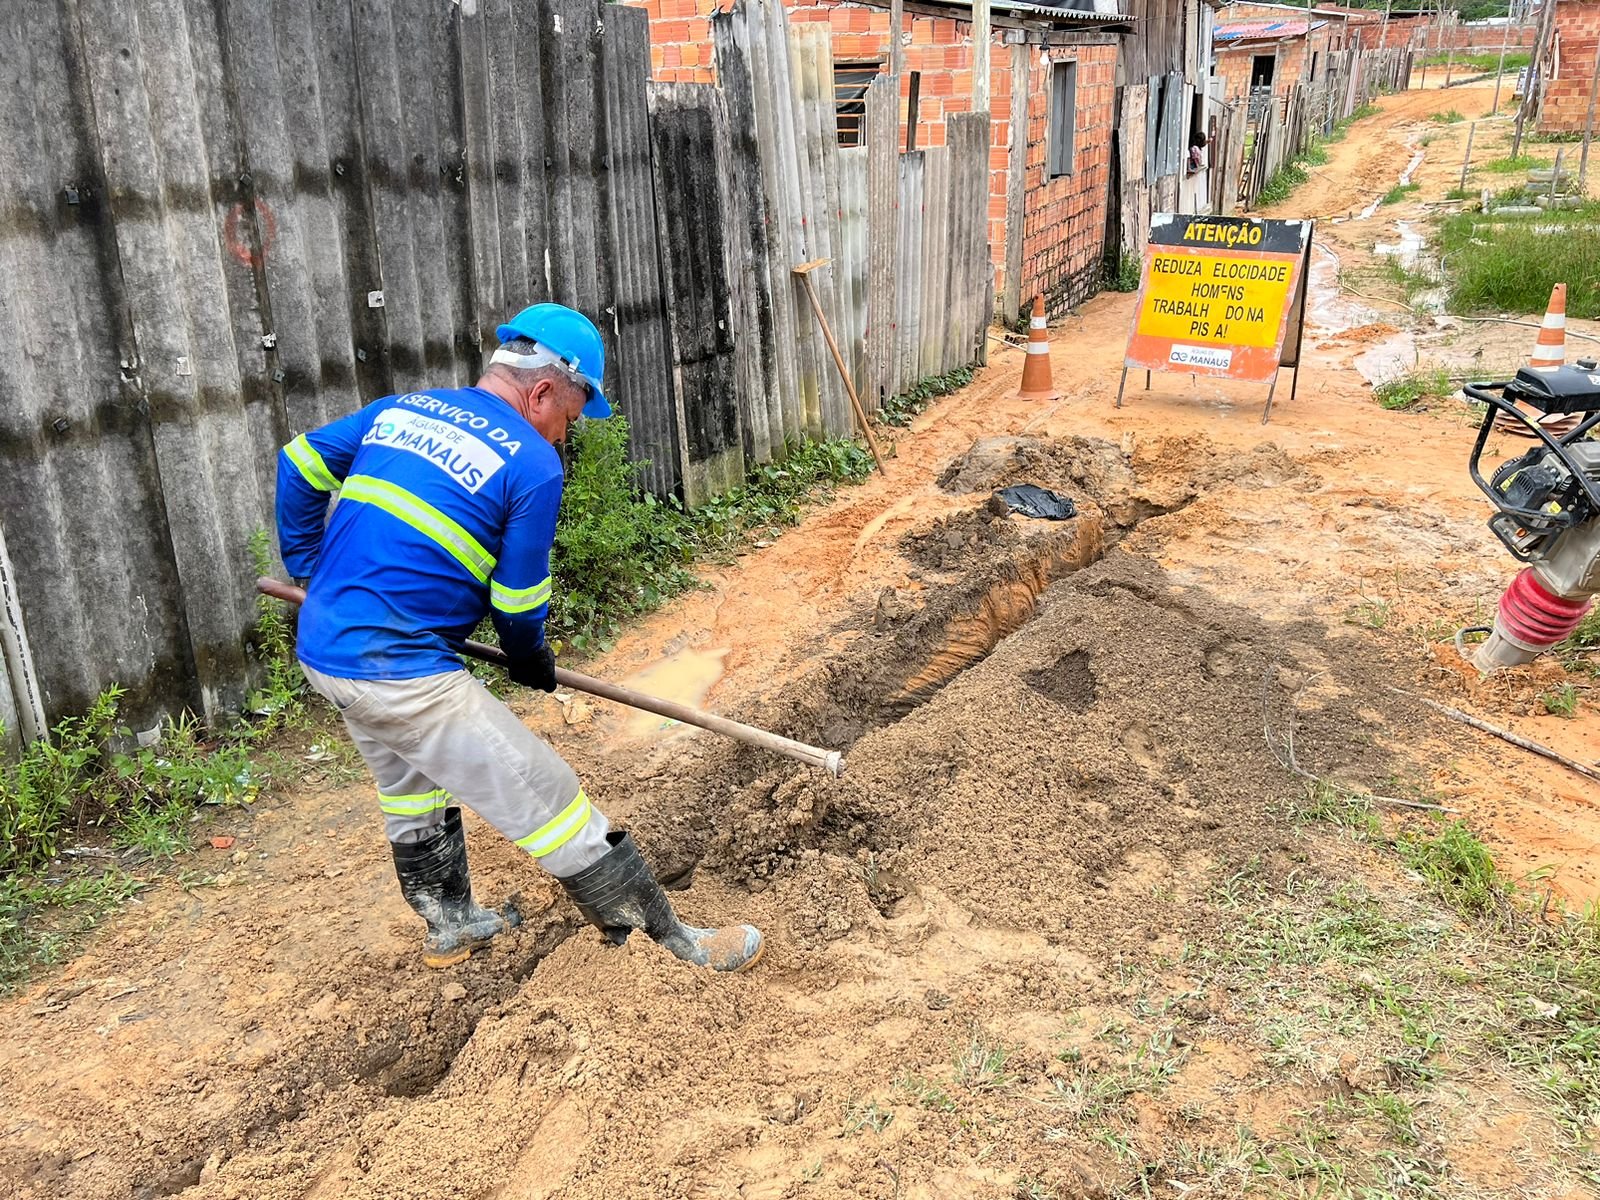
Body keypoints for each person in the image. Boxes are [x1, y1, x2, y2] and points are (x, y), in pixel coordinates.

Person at [274, 303, 763, 974]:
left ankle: (451, 924)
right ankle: (675, 946)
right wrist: (530, 654)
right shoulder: (532, 463)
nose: (566, 434)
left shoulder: (405, 410)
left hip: (328, 651)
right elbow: (517, 598)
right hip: (401, 671)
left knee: (411, 781)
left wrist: (308, 567)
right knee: (546, 793)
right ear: (542, 392)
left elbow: (298, 462)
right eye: (571, 415)